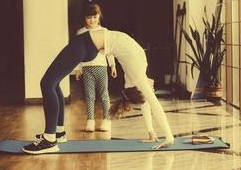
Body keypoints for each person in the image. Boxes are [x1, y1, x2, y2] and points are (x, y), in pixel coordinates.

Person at [22, 12, 174, 156]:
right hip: (89, 44)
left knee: (47, 83)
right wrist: (151, 132)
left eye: (149, 90)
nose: (152, 89)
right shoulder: (134, 76)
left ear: (140, 89)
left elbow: (152, 104)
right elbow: (145, 103)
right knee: (52, 83)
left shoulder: (137, 76)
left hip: (87, 44)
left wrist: (169, 136)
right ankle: (58, 133)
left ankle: (49, 139)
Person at [75, 0, 117, 132]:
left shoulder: (104, 31)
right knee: (89, 96)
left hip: (102, 67)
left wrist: (113, 65)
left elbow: (109, 49)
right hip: (87, 68)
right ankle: (90, 121)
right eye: (89, 17)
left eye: (95, 17)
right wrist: (77, 68)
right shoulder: (81, 32)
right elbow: (77, 53)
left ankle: (106, 120)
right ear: (84, 18)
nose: (92, 20)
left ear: (99, 16)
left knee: (104, 94)